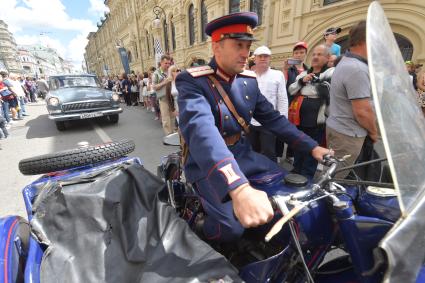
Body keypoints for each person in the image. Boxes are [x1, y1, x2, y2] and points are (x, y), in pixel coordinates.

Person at [176, 12, 331, 243]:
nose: (244, 53)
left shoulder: (247, 80)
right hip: (208, 163)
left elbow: (273, 119)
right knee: (231, 227)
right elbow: (202, 133)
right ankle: (199, 230)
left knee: (294, 198)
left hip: (244, 154)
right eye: (238, 45)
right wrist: (238, 188)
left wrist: (312, 147)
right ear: (216, 47)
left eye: (247, 46)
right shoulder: (193, 81)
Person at [326, 20, 378, 179]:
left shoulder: (349, 62)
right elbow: (362, 111)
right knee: (335, 179)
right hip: (347, 135)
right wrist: (374, 132)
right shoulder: (357, 69)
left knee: (334, 174)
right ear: (366, 40)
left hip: (342, 130)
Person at [288, 45, 334, 177]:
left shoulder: (331, 73)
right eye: (314, 54)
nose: (315, 57)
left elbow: (326, 92)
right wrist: (302, 81)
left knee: (313, 148)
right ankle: (296, 171)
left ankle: (306, 176)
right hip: (299, 118)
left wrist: (312, 84)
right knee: (298, 145)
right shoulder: (304, 73)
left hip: (317, 120)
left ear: (327, 58)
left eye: (319, 54)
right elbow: (291, 90)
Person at [248, 45, 287, 162]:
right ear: (254, 59)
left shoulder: (278, 75)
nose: (263, 58)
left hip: (270, 121)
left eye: (266, 56)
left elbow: (282, 99)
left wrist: (283, 121)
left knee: (268, 151)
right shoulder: (249, 75)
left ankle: (272, 175)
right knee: (252, 150)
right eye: (260, 56)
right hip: (251, 121)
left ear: (270, 59)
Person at [153, 55, 175, 135]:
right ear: (161, 62)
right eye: (166, 63)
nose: (168, 65)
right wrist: (164, 82)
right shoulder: (156, 73)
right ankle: (169, 135)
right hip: (164, 98)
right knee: (166, 118)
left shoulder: (171, 71)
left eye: (169, 63)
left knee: (173, 116)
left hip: (172, 97)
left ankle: (174, 133)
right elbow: (154, 87)